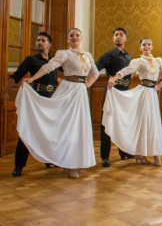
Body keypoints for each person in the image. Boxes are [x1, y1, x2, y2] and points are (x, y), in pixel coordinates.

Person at [17, 28, 99, 179]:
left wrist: (89, 84)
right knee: (67, 126)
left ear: (81, 38)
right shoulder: (64, 53)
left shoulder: (87, 55)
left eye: (77, 35)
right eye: (71, 36)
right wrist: (32, 79)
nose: (75, 38)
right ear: (68, 39)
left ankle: (73, 162)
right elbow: (48, 67)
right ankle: (69, 164)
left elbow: (95, 73)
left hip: (81, 92)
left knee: (79, 127)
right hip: (68, 90)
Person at [103, 38, 162, 166]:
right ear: (140, 48)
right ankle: (140, 153)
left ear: (152, 46)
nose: (146, 46)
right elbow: (126, 71)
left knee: (154, 122)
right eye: (143, 45)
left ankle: (156, 154)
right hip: (143, 93)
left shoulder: (158, 60)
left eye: (148, 44)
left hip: (152, 94)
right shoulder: (138, 61)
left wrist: (158, 86)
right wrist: (113, 79)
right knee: (143, 122)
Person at [3, 33, 60, 177]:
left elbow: (71, 70)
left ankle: (49, 159)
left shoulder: (55, 60)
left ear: (49, 45)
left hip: (51, 100)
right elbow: (16, 75)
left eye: (42, 40)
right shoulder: (31, 60)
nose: (39, 42)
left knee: (50, 131)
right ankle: (19, 166)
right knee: (28, 131)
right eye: (37, 40)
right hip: (36, 100)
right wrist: (4, 92)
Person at [95, 28, 134, 167]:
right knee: (107, 121)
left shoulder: (129, 57)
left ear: (125, 38)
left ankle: (124, 151)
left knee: (123, 122)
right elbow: (96, 67)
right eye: (116, 35)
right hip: (112, 92)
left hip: (125, 93)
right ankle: (105, 156)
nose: (118, 37)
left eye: (121, 35)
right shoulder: (109, 55)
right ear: (113, 39)